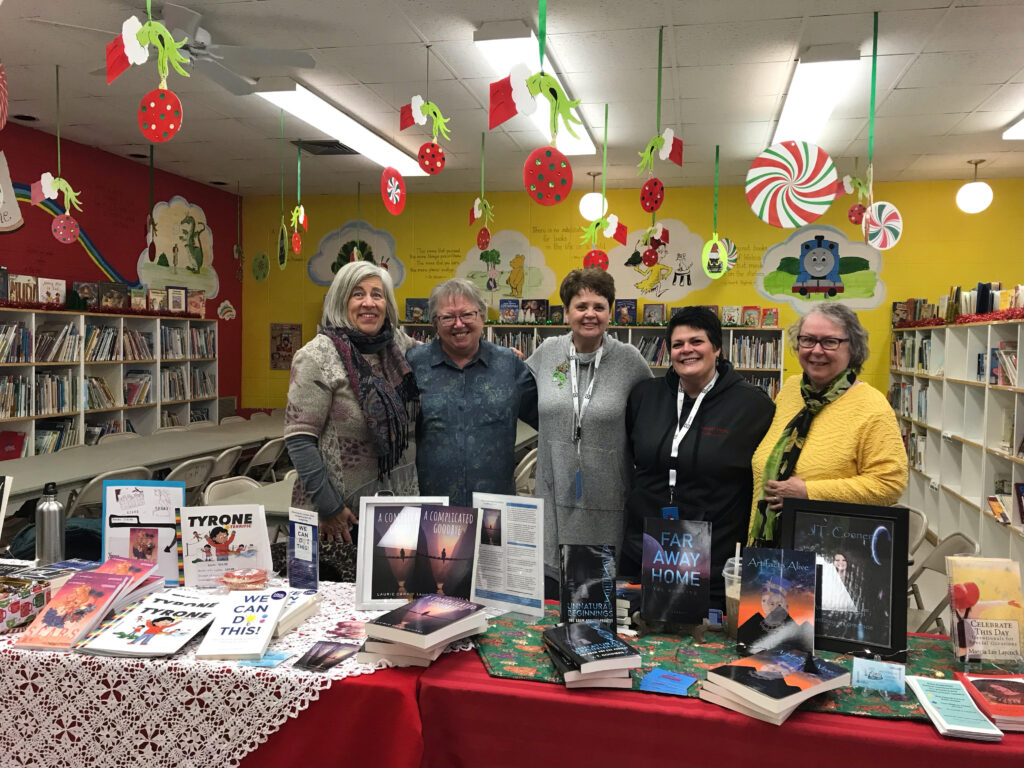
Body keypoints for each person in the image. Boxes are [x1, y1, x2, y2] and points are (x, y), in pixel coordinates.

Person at [621, 306, 774, 610]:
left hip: (713, 560)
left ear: (717, 348)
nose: (686, 350)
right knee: (640, 632)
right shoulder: (644, 396)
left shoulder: (752, 405)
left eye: (697, 341)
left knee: (705, 638)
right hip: (646, 550)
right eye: (677, 344)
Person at [525, 269, 652, 593]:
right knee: (553, 602)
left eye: (599, 306)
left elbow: (652, 415)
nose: (590, 314)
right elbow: (520, 393)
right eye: (581, 306)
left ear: (610, 312)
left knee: (596, 604)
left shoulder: (630, 360)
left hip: (607, 506)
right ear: (566, 312)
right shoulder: (546, 353)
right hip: (553, 500)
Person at [749, 304, 908, 546]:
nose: (816, 350)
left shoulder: (872, 406)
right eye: (807, 340)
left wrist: (808, 492)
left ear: (853, 347)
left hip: (829, 549)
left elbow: (889, 485)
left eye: (830, 342)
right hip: (766, 547)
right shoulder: (791, 390)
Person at [285, 261, 419, 545]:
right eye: (358, 294)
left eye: (377, 294)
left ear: (387, 304)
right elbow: (299, 441)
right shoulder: (317, 356)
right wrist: (330, 508)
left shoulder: (396, 345)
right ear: (340, 301)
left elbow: (446, 351)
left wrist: (502, 355)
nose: (368, 302)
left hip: (395, 508)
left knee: (396, 577)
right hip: (338, 518)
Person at [407, 278, 537, 506]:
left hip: (495, 507)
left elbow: (547, 418)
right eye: (448, 317)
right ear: (435, 323)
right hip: (433, 508)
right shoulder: (413, 365)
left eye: (467, 314)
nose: (459, 324)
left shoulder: (508, 364)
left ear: (482, 316)